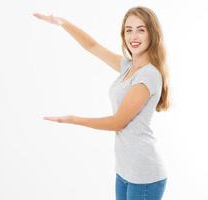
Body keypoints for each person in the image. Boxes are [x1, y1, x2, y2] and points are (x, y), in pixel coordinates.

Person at [33, 6, 170, 200]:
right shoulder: (128, 67)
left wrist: (73, 119)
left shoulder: (148, 75)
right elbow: (93, 47)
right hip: (125, 170)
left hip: (144, 174)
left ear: (152, 34)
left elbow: (117, 122)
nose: (134, 36)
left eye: (141, 29)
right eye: (128, 30)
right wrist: (63, 23)